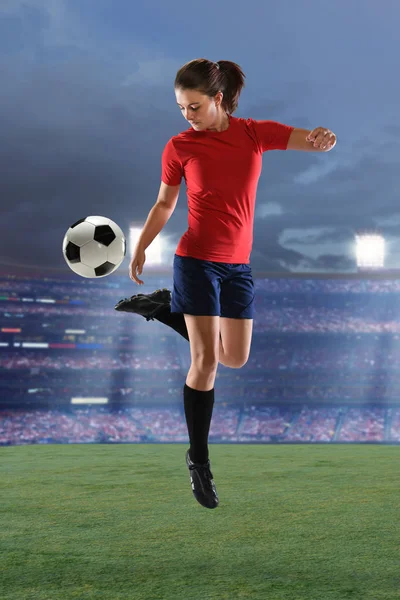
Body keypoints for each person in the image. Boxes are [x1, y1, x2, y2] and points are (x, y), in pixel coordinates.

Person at [115, 58, 337, 509]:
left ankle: (165, 307)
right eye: (181, 108)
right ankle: (199, 462)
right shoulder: (179, 146)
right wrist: (140, 247)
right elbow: (163, 203)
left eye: (193, 106)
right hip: (195, 261)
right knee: (205, 361)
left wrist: (323, 139)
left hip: (238, 267)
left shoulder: (254, 133)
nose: (187, 116)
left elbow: (309, 142)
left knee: (234, 356)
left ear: (217, 99)